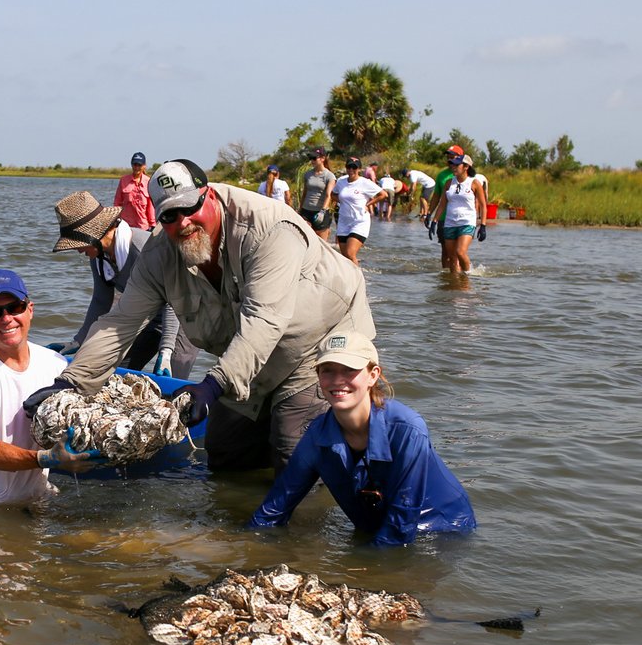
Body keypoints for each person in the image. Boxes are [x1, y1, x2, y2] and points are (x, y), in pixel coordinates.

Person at [24, 159, 377, 475]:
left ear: (209, 196)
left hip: (318, 344)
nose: (183, 222)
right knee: (224, 454)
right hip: (251, 351)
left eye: (189, 207)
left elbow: (264, 320)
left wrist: (211, 385)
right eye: (169, 216)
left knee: (292, 455)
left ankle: (300, 539)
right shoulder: (159, 253)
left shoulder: (268, 228)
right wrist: (69, 384)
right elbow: (120, 322)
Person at [248, 328, 476, 546]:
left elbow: (401, 523)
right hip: (379, 529)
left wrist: (362, 569)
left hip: (443, 531)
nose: (338, 380)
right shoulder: (316, 435)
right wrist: (240, 547)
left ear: (372, 375)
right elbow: (274, 509)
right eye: (328, 370)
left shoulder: (407, 429)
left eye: (349, 369)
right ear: (318, 376)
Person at [0, 269, 106, 504]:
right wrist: (48, 459)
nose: (6, 319)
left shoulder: (55, 364)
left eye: (15, 307)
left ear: (30, 310)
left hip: (35, 493)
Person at [47, 191, 197, 378]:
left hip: (185, 314)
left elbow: (172, 303)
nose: (77, 250)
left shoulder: (143, 248)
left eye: (77, 243)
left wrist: (166, 350)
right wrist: (78, 341)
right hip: (148, 315)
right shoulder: (99, 257)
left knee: (173, 375)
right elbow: (100, 302)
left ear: (92, 234)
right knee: (119, 372)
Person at [428, 153, 488, 274]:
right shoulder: (449, 183)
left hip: (467, 223)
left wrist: (483, 225)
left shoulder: (474, 183)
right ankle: (455, 285)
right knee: (452, 258)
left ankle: (468, 276)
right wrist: (434, 221)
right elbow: (442, 204)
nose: (453, 167)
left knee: (460, 252)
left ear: (466, 167)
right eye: (452, 165)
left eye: (456, 165)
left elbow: (483, 205)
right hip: (450, 223)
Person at [331, 157, 387, 265]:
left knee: (350, 254)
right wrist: (341, 201)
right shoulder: (341, 181)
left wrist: (368, 204)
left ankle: (358, 279)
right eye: (349, 167)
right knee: (344, 258)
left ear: (359, 169)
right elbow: (333, 194)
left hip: (359, 222)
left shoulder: (365, 183)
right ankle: (348, 278)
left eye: (354, 167)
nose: (351, 170)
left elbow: (383, 194)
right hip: (343, 222)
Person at [425, 144, 465, 269]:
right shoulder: (442, 175)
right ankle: (448, 277)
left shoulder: (465, 175)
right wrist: (429, 214)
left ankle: (461, 277)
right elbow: (436, 196)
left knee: (459, 251)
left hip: (461, 218)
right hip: (444, 218)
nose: (449, 160)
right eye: (448, 157)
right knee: (445, 251)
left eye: (452, 157)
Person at [297, 146, 337, 239]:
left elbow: (328, 195)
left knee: (322, 243)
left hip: (320, 212)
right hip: (306, 211)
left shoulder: (329, 176)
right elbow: (304, 194)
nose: (312, 161)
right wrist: (300, 209)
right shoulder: (308, 174)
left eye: (314, 158)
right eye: (311, 158)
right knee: (305, 239)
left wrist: (322, 211)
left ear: (323, 158)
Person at [113, 151, 155, 230]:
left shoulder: (149, 182)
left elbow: (151, 206)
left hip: (143, 226)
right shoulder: (123, 180)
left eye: (139, 165)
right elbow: (117, 202)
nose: (136, 167)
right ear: (132, 165)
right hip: (125, 226)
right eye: (135, 164)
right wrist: (116, 219)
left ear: (144, 166)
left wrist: (152, 224)